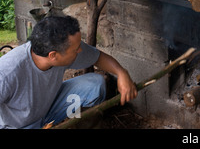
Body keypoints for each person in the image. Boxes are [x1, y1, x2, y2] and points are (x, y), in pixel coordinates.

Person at [0, 15, 138, 129]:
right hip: (17, 126)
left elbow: (99, 57)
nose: (80, 50)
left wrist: (122, 73)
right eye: (76, 49)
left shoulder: (58, 48)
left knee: (94, 84)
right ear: (53, 56)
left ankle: (77, 125)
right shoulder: (7, 72)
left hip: (48, 111)